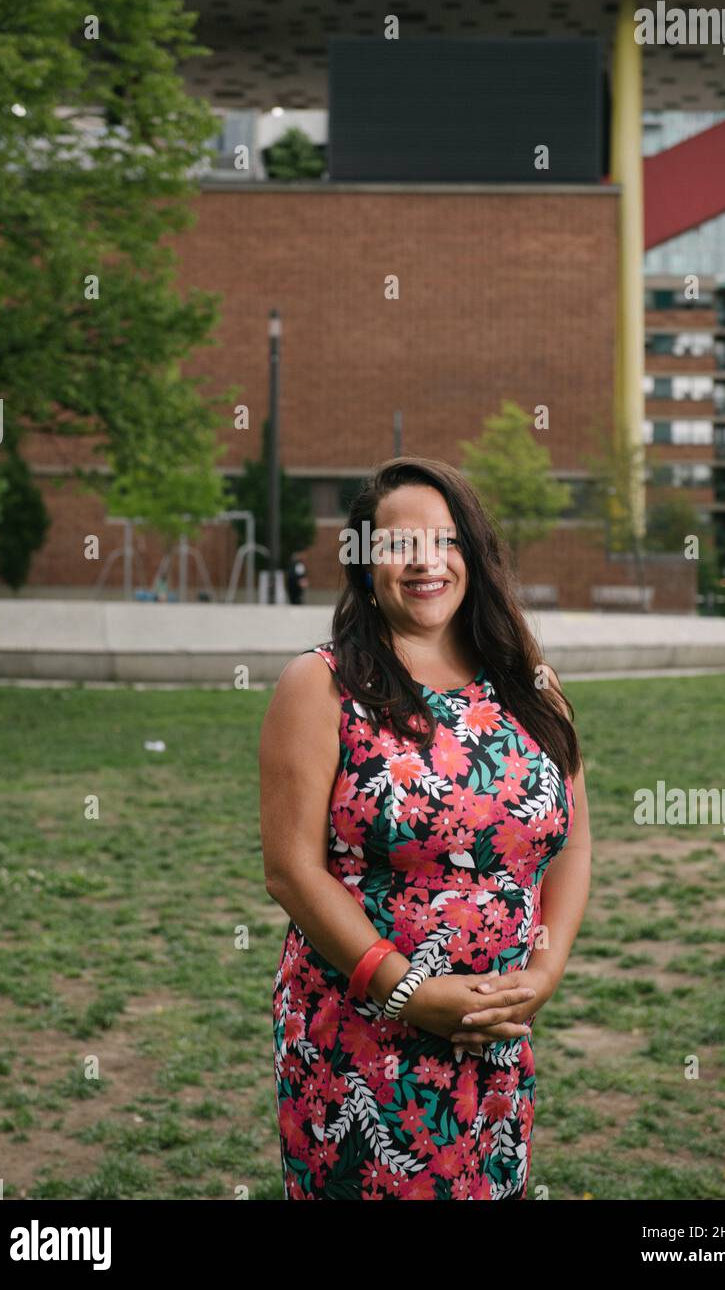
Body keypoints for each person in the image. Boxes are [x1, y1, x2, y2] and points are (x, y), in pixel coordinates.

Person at [261, 456, 591, 1200]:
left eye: (444, 540)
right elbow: (290, 870)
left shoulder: (530, 683)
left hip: (496, 1037)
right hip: (360, 1042)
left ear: (473, 554)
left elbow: (570, 843)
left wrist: (542, 975)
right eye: (398, 544)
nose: (425, 562)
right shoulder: (319, 686)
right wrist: (409, 990)